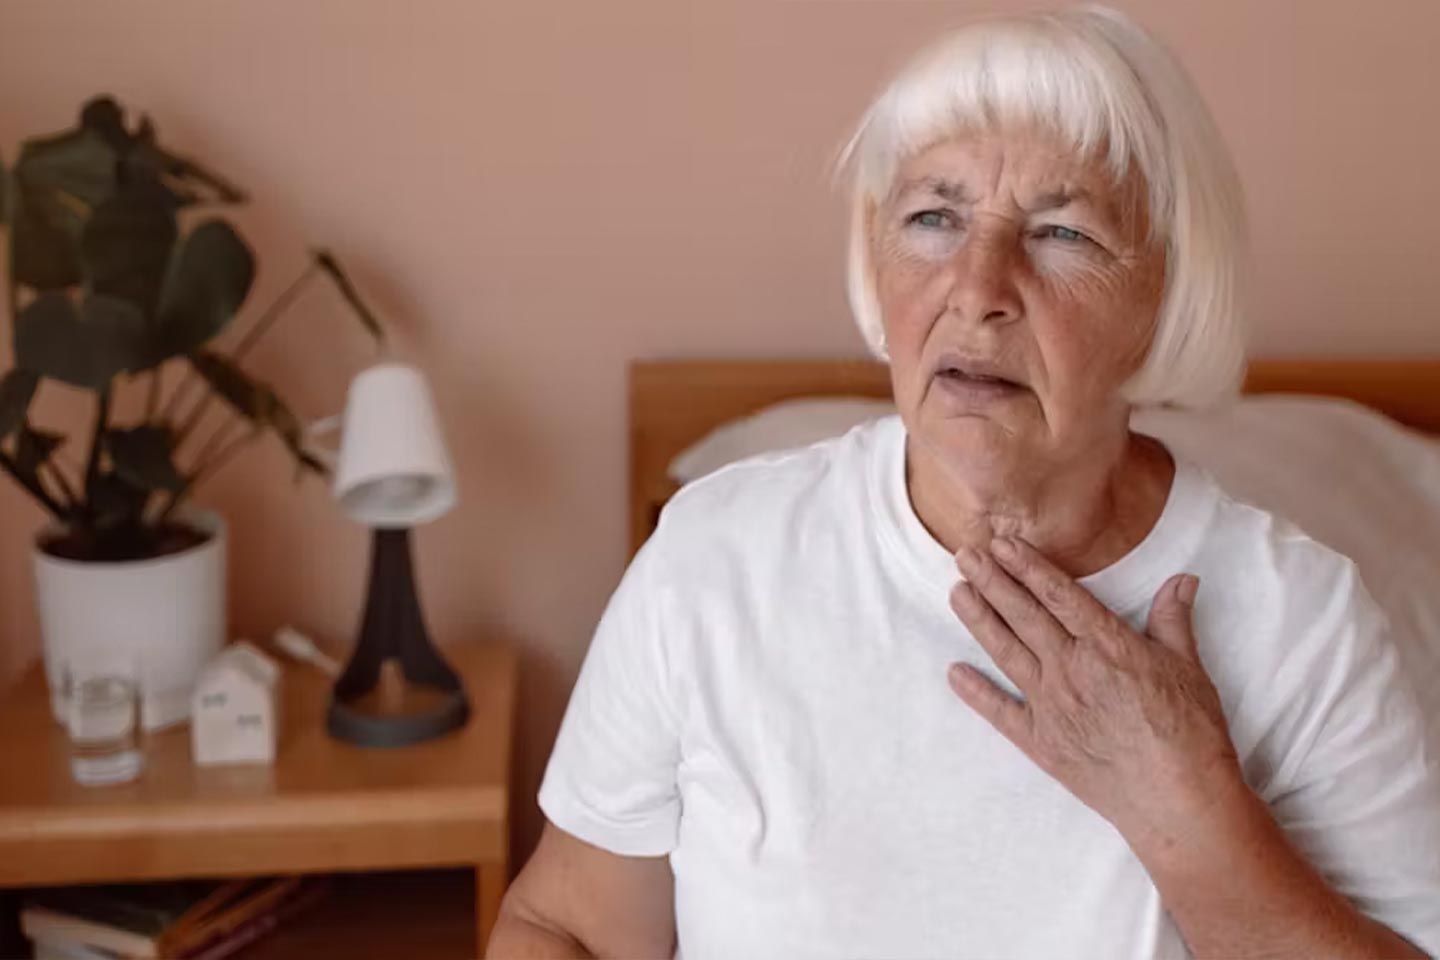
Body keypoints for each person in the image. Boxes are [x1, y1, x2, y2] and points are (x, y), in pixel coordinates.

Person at [489, 6, 1440, 958]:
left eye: (1062, 232)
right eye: (933, 219)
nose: (978, 289)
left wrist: (1188, 813)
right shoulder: (715, 558)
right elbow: (562, 926)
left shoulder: (1301, 621)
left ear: (1167, 291)